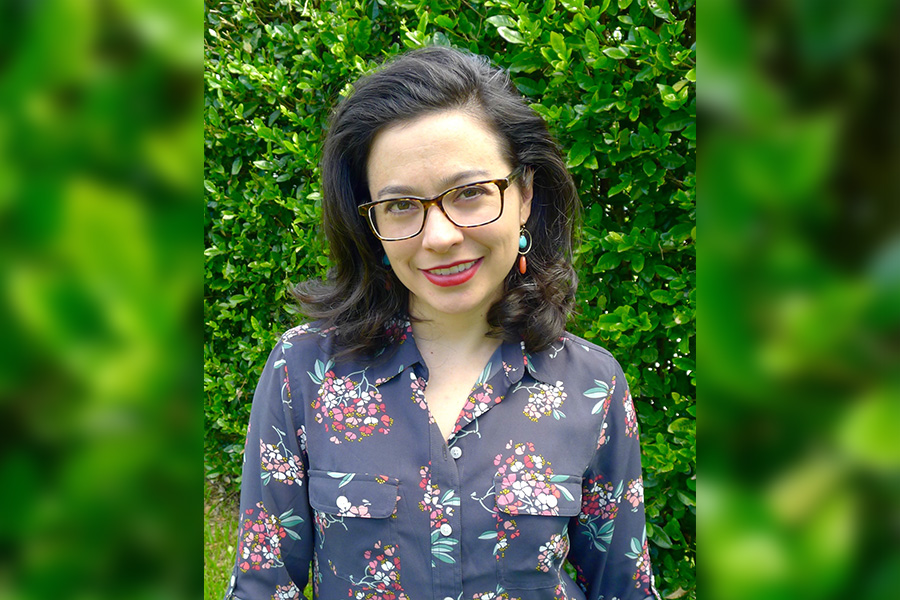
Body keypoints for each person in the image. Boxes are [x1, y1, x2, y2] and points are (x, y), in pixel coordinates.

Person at [225, 46, 660, 600]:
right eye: (401, 205)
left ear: (524, 195)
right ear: (372, 224)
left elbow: (622, 589)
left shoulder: (593, 386)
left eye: (471, 193)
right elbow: (264, 586)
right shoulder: (303, 371)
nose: (440, 237)